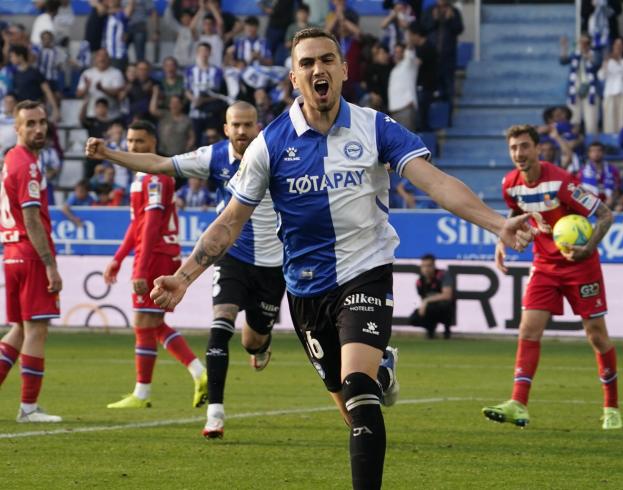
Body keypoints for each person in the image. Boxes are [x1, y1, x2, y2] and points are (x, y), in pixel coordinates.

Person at [119, 28, 537, 488]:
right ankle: (383, 368)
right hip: (303, 290)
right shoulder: (270, 145)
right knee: (348, 406)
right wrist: (184, 276)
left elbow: (433, 181)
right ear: (294, 78)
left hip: (366, 272)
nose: (318, 69)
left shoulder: (375, 127)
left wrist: (499, 224)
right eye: (307, 63)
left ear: (343, 69)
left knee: (359, 392)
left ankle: (372, 382)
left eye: (327, 60)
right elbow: (230, 221)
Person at [85, 102, 288, 440]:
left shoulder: (277, 153)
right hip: (232, 254)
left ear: (258, 127)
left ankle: (259, 347)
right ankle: (215, 416)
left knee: (253, 340)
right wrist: (109, 153)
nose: (241, 131)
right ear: (225, 128)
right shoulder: (216, 157)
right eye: (235, 125)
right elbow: (161, 164)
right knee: (220, 327)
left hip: (274, 264)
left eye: (248, 125)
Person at [483, 124, 622, 431]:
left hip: (580, 265)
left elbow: (605, 215)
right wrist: (501, 243)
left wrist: (586, 249)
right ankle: (518, 403)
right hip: (545, 264)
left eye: (524, 146)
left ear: (538, 148)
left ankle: (611, 407)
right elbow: (514, 216)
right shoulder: (510, 185)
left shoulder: (561, 182)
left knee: (596, 336)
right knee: (528, 330)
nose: (519, 153)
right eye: (513, 148)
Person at [101, 120, 207, 409]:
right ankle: (198, 373)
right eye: (130, 142)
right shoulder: (141, 176)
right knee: (153, 323)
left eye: (140, 142)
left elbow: (149, 228)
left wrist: (139, 269)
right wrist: (118, 259)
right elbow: (136, 225)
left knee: (143, 322)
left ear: (153, 144)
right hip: (154, 253)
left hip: (157, 254)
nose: (133, 147)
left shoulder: (156, 177)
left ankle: (143, 392)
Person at [0, 100, 62, 422]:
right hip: (29, 254)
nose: (38, 129)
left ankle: (28, 407)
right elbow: (32, 218)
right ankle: (28, 408)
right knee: (37, 330)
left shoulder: (10, 159)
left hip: (10, 253)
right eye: (30, 124)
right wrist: (50, 263)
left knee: (19, 330)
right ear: (17, 127)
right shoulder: (28, 165)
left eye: (42, 122)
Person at [408, 254, 454, 339]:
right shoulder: (420, 281)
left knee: (444, 305)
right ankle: (430, 330)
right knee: (413, 319)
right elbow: (422, 297)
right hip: (430, 309)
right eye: (423, 266)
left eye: (429, 266)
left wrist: (427, 301)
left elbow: (447, 295)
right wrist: (424, 303)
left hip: (444, 309)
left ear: (434, 266)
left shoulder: (443, 275)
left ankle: (447, 333)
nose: (426, 269)